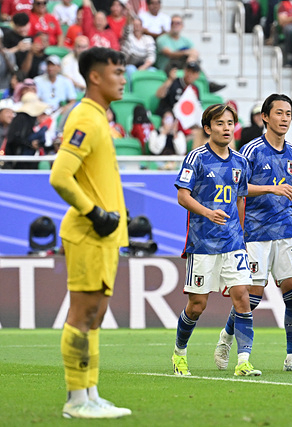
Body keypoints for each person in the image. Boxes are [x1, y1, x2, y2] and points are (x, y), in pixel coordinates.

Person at [48, 47, 131, 418]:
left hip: (104, 235)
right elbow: (59, 176)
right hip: (88, 232)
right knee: (83, 315)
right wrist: (94, 212)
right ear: (95, 76)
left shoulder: (98, 118)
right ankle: (76, 400)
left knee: (94, 317)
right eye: (117, 72)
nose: (123, 79)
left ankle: (90, 394)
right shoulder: (85, 118)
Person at [216, 94, 292, 372]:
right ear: (265, 118)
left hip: (286, 232)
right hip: (256, 233)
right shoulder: (251, 151)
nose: (284, 119)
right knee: (253, 296)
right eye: (279, 113)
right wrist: (270, 188)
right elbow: (238, 188)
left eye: (288, 114)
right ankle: (226, 336)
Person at [171, 103, 261, 377]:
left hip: (233, 242)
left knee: (242, 297)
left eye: (230, 123)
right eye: (220, 123)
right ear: (208, 128)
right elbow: (182, 196)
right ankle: (179, 353)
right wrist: (208, 212)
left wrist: (242, 234)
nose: (226, 128)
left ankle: (243, 362)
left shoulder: (240, 162)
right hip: (203, 243)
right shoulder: (196, 157)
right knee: (197, 305)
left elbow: (240, 199)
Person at [4, 91, 49, 169]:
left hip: (28, 161)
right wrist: (30, 143)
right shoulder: (21, 119)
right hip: (17, 163)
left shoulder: (31, 120)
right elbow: (13, 139)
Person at [122, 17, 157, 84]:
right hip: (130, 64)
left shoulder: (148, 39)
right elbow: (126, 31)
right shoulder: (128, 38)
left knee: (153, 71)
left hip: (145, 65)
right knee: (130, 69)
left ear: (142, 27)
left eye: (139, 25)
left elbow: (152, 56)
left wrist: (143, 67)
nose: (137, 27)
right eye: (135, 25)